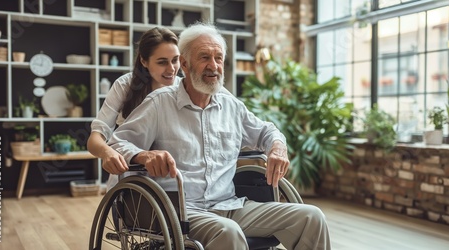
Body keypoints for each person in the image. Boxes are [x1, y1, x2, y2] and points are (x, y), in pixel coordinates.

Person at [108, 22, 331, 250]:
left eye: (219, 58)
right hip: (180, 211)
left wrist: (277, 148)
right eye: (204, 57)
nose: (213, 65)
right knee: (228, 232)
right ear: (184, 63)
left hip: (231, 206)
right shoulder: (159, 103)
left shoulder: (231, 106)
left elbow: (268, 130)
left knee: (311, 217)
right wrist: (144, 155)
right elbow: (116, 143)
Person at [87, 27, 181, 189]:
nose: (171, 69)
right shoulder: (125, 86)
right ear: (144, 61)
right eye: (162, 62)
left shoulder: (184, 89)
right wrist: (108, 152)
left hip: (172, 178)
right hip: (132, 177)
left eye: (175, 60)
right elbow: (95, 140)